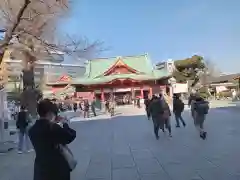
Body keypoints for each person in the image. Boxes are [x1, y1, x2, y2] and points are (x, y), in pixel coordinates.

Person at [29, 99, 76, 180]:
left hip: (40, 168)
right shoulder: (52, 128)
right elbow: (70, 136)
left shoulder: (32, 130)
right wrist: (64, 124)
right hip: (57, 168)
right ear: (50, 113)